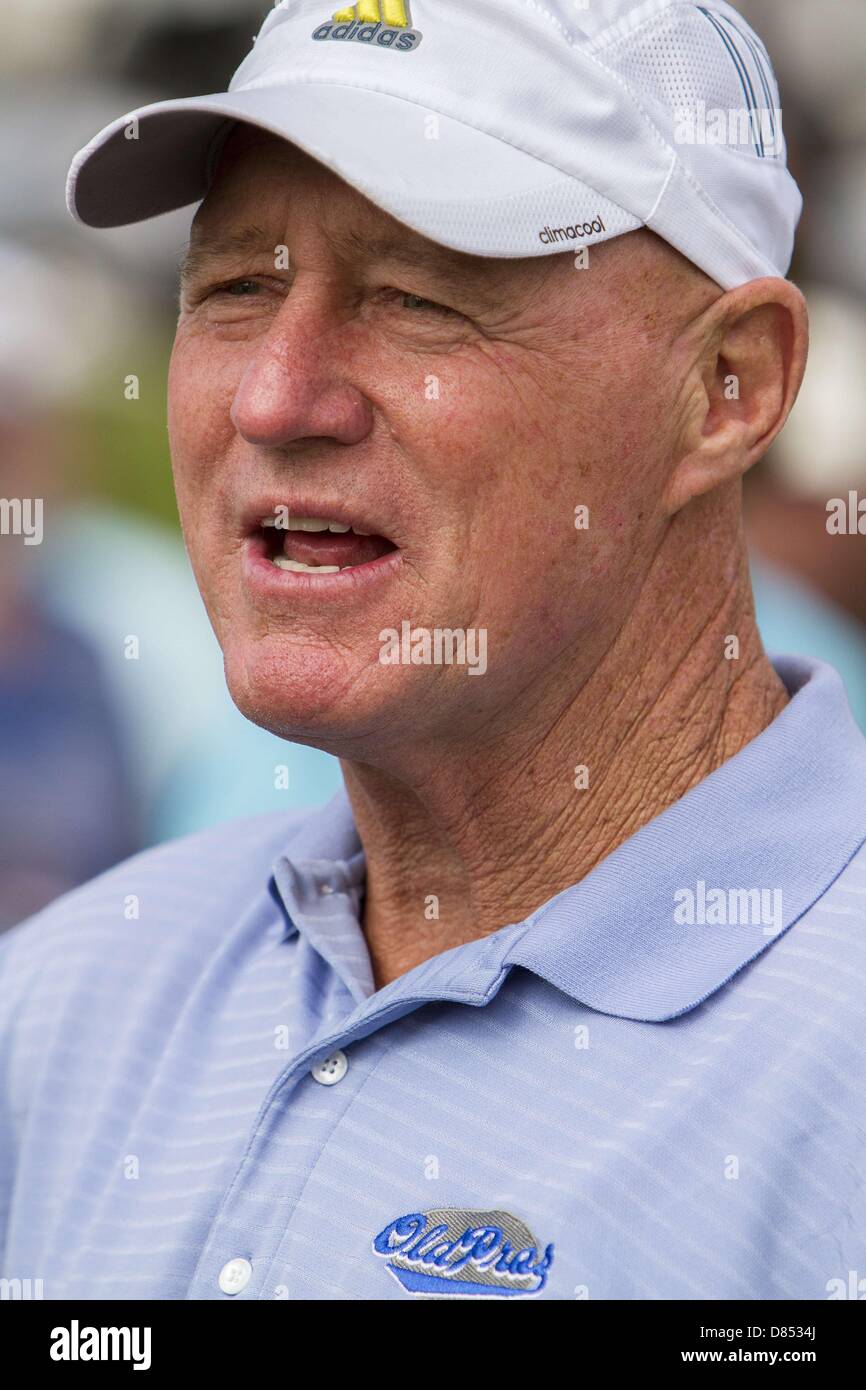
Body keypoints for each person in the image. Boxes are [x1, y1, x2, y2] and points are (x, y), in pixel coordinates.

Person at [2, 0, 864, 1302]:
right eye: (237, 286)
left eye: (414, 297)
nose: (275, 396)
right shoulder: (70, 995)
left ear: (728, 384)